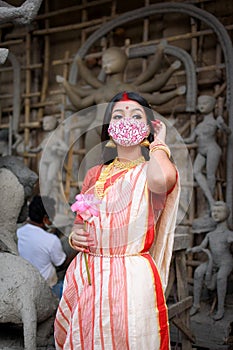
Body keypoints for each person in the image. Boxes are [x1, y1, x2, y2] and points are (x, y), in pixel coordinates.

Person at [54, 91, 180, 349]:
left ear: (146, 128)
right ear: (110, 128)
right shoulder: (94, 173)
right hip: (88, 276)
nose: (127, 120)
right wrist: (75, 236)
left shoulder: (151, 170)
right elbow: (81, 221)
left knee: (127, 338)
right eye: (119, 115)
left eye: (136, 116)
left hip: (130, 275)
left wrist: (159, 142)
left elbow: (162, 180)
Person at [187, 201, 233, 321]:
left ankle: (221, 308)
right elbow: (202, 247)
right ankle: (196, 304)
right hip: (212, 262)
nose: (215, 214)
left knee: (220, 278)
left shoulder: (229, 234)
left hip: (225, 262)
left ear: (227, 214)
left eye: (219, 211)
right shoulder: (210, 234)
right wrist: (192, 249)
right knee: (198, 272)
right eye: (213, 211)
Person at [17, 195, 70, 299]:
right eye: (51, 217)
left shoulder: (19, 232)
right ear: (45, 218)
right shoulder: (51, 240)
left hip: (25, 284)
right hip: (47, 289)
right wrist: (77, 250)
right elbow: (61, 264)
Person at [184, 95, 231, 211]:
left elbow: (228, 132)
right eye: (200, 103)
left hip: (212, 150)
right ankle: (211, 200)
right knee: (196, 172)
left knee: (211, 176)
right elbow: (191, 139)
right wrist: (178, 139)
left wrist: (222, 124)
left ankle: (211, 207)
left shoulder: (215, 122)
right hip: (202, 152)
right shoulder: (199, 125)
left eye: (205, 103)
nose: (201, 106)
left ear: (213, 105)